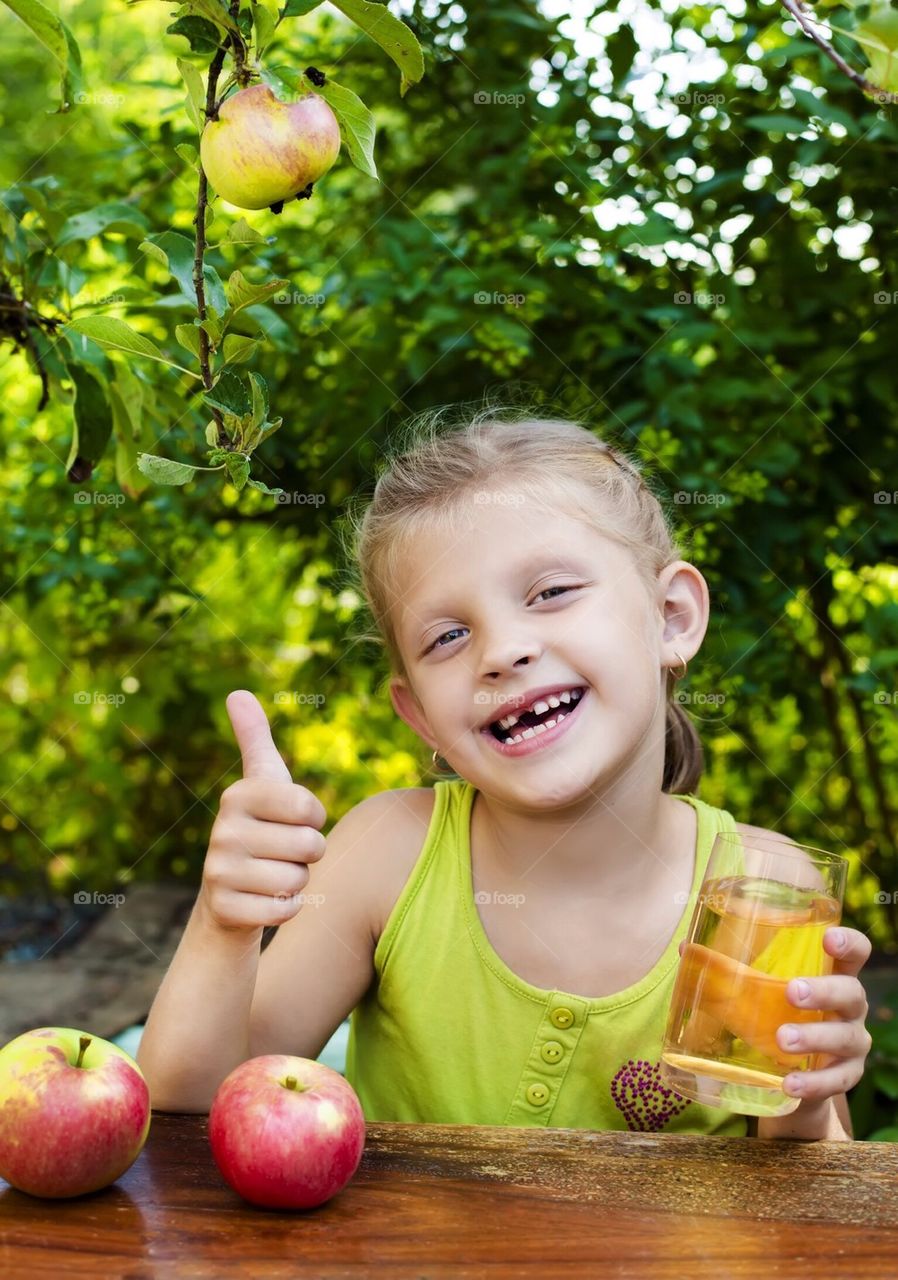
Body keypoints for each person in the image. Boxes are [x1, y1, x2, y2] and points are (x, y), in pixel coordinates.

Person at [137, 409, 872, 1139]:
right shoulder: (386, 857)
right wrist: (224, 922)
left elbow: (809, 1203)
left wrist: (804, 1099)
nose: (502, 650)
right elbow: (188, 1108)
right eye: (448, 636)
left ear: (672, 617)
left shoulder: (769, 893)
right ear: (419, 712)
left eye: (551, 592)